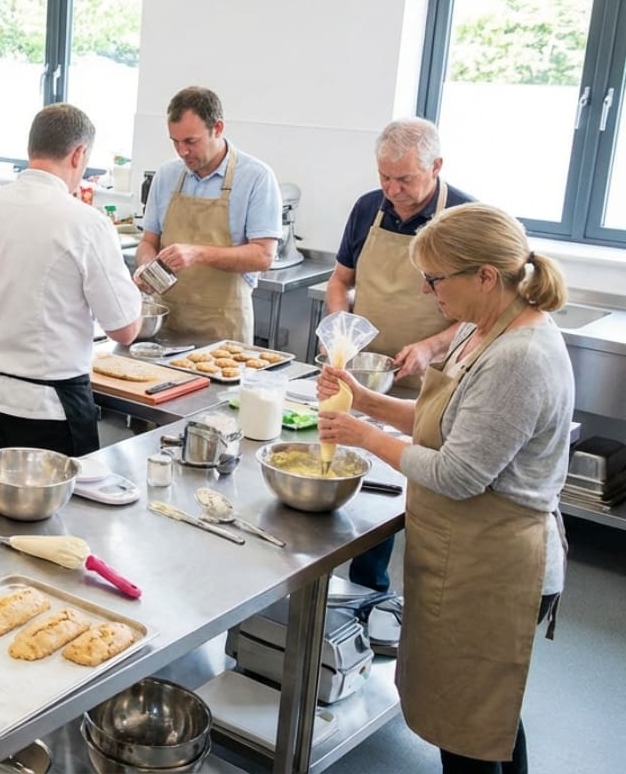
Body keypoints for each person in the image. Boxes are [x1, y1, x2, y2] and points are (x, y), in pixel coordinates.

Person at [317, 204, 571, 774]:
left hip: (497, 565)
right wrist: (365, 400)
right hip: (464, 553)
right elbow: (442, 421)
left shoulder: (520, 356)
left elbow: (459, 473)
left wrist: (362, 437)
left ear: (485, 276)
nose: (430, 293)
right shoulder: (482, 330)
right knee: (484, 714)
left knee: (472, 726)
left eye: (436, 280)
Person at [0, 103, 144, 496]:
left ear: (31, 147)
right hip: (50, 409)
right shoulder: (87, 223)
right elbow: (125, 328)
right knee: (54, 534)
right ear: (79, 154)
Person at [325, 117, 474, 594]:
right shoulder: (369, 209)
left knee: (408, 493)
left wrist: (431, 346)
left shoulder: (465, 220)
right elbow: (340, 281)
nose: (393, 190)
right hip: (364, 376)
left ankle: (379, 593)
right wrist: (338, 330)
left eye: (405, 179)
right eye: (384, 177)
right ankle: (342, 590)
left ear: (436, 166)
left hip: (432, 382)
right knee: (355, 475)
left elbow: (480, 315)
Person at [135, 86, 281, 342]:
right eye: (175, 142)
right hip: (167, 330)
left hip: (224, 335)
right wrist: (147, 267)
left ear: (218, 128)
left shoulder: (256, 177)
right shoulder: (166, 175)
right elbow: (149, 242)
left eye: (191, 141)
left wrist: (197, 253)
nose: (182, 152)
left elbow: (263, 256)